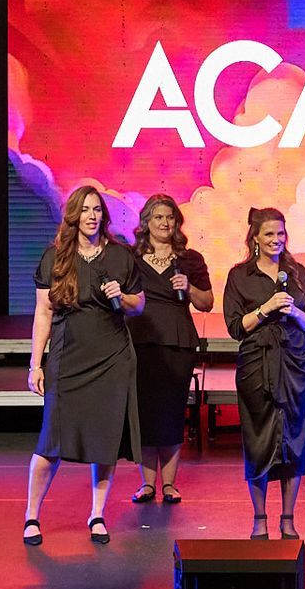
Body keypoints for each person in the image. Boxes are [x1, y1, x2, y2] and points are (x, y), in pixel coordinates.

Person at [22, 186, 144, 547]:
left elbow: (139, 305)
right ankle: (32, 515)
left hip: (112, 357)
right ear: (73, 215)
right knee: (52, 439)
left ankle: (97, 514)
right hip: (68, 357)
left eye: (97, 210)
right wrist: (35, 364)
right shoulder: (55, 257)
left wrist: (122, 297)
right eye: (86, 210)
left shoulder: (120, 256)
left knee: (104, 440)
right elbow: (43, 313)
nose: (92, 216)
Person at [223, 207, 305, 539]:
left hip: (294, 363)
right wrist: (265, 309)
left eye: (280, 233)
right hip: (257, 365)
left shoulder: (297, 272)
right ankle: (260, 517)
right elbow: (236, 327)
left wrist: (293, 311)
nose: (276, 240)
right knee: (258, 439)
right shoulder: (240, 276)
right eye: (268, 234)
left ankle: (288, 518)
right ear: (255, 238)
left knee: (293, 439)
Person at [127, 193, 214, 505]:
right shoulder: (131, 257)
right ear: (146, 222)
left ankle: (169, 484)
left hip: (178, 342)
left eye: (169, 217)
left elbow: (207, 303)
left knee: (171, 412)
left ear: (177, 222)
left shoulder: (190, 259)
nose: (164, 223)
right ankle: (147, 484)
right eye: (158, 217)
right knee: (144, 411)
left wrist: (188, 288)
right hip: (141, 340)